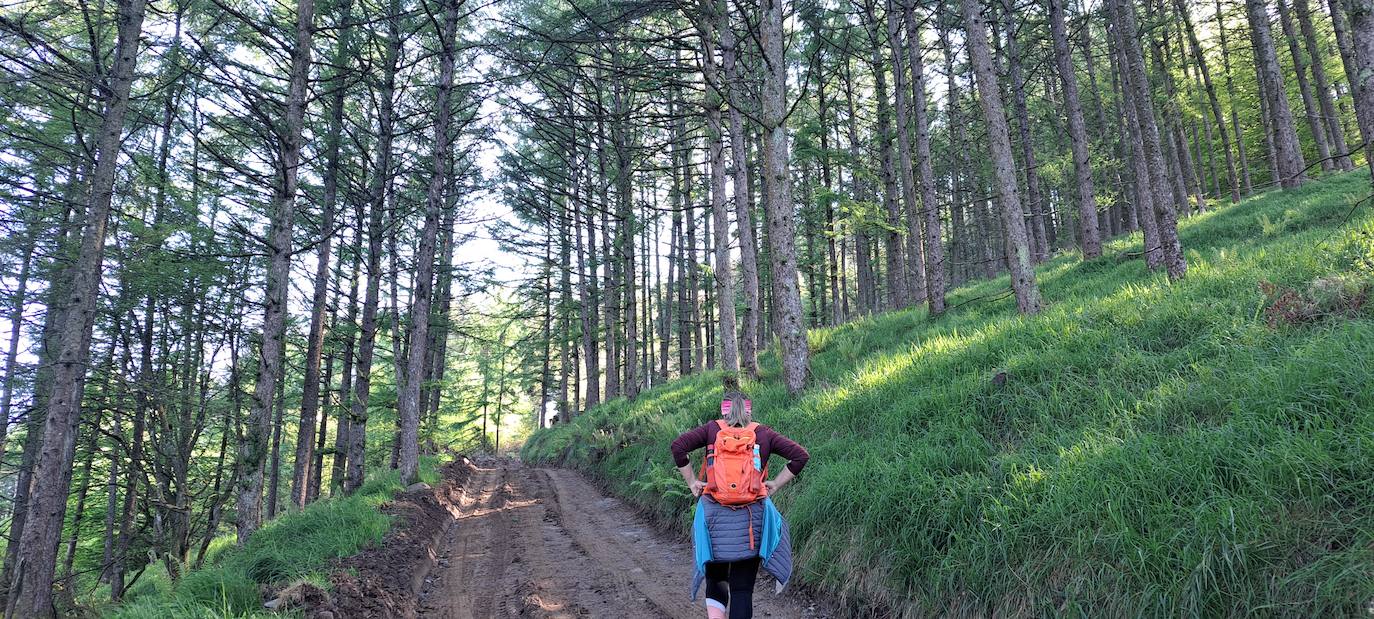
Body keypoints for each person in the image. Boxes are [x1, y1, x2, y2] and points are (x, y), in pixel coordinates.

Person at [670, 390, 809, 619]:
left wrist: (693, 482)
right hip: (751, 520)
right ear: (748, 410)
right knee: (742, 590)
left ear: (723, 410)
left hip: (714, 519)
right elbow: (800, 456)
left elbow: (678, 447)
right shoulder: (763, 434)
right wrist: (775, 483)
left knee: (716, 581)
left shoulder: (711, 430)